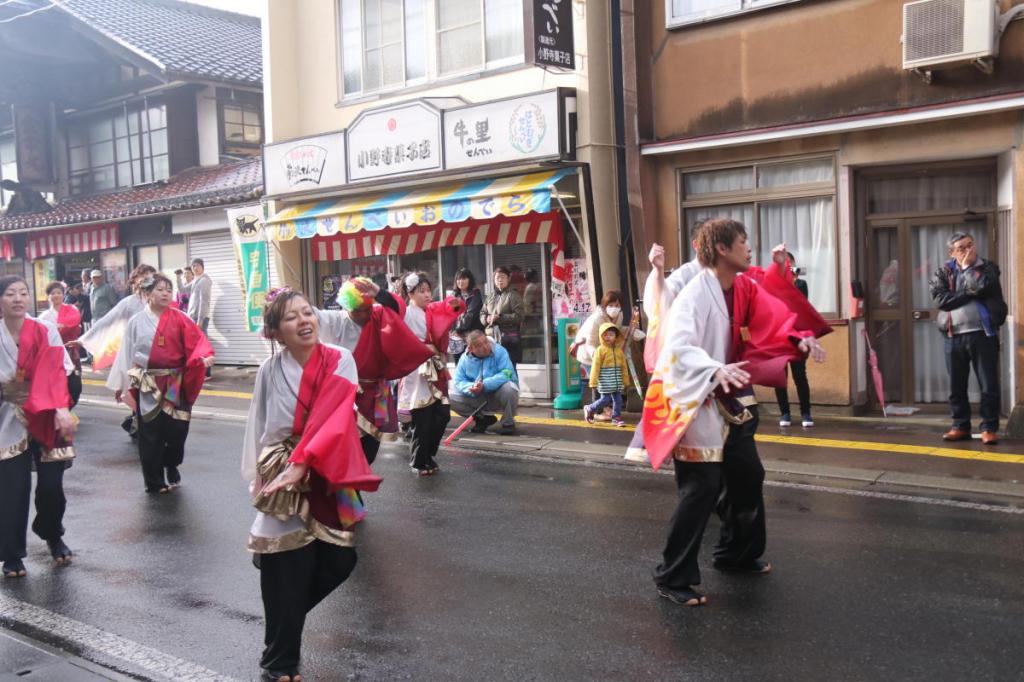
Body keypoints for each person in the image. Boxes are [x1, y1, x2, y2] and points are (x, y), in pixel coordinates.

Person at [644, 218, 828, 607]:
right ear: (723, 249)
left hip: (727, 392)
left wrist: (800, 338)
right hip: (690, 395)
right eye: (743, 242)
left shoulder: (742, 286)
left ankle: (735, 554)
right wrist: (712, 367)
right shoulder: (694, 291)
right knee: (702, 488)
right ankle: (671, 575)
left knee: (748, 474)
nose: (749, 249)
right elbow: (675, 346)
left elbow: (773, 317)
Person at [242, 287, 380, 682]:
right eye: (291, 317)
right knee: (287, 563)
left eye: (308, 313)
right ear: (276, 331)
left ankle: (283, 628)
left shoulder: (341, 360)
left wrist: (303, 462)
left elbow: (334, 415)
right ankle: (280, 660)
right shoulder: (271, 370)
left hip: (327, 464)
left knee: (340, 560)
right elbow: (262, 424)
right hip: (282, 467)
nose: (304, 321)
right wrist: (259, 475)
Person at [0, 276, 78, 579]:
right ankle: (12, 555)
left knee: (51, 488)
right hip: (8, 416)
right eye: (10, 294)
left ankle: (51, 533)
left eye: (23, 293)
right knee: (12, 489)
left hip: (48, 414)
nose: (18, 299)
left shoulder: (43, 329)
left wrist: (61, 409)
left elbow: (57, 370)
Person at [108, 274, 214, 493]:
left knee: (177, 430)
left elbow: (198, 343)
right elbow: (126, 354)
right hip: (148, 382)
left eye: (168, 289)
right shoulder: (136, 322)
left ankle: (171, 463)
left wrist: (204, 357)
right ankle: (154, 481)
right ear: (147, 294)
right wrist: (121, 384)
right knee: (150, 434)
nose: (165, 293)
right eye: (160, 289)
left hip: (175, 381)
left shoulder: (181, 318)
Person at [315, 277, 432, 465]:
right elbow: (309, 315)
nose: (366, 314)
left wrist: (378, 292)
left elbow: (396, 307)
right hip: (346, 396)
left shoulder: (376, 315)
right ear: (348, 308)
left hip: (377, 392)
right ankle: (348, 488)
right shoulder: (335, 321)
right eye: (360, 311)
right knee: (347, 452)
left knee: (370, 449)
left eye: (369, 307)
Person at [929, 232, 1006, 445]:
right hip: (953, 336)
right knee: (956, 385)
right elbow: (941, 300)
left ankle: (989, 427)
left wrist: (966, 269)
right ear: (952, 252)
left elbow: (981, 286)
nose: (968, 250)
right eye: (961, 248)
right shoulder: (943, 272)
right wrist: (969, 293)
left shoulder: (989, 267)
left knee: (988, 384)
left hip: (983, 334)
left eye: (970, 245)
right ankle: (960, 426)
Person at [398, 272, 463, 475]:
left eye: (428, 291)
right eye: (422, 291)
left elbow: (455, 308)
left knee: (442, 415)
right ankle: (419, 460)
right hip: (418, 370)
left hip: (436, 366)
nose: (427, 295)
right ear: (410, 293)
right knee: (423, 418)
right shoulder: (405, 313)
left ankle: (428, 454)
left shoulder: (433, 310)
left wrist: (454, 304)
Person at [451, 330, 519, 435]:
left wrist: (485, 384)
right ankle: (482, 419)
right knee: (448, 398)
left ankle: (508, 422)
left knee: (509, 388)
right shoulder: (464, 359)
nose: (485, 347)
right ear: (470, 348)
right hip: (477, 395)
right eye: (479, 346)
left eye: (485, 342)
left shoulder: (500, 351)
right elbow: (458, 381)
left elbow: (508, 373)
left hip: (497, 394)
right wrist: (471, 387)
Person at [775, 253, 814, 428]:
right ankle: (785, 412)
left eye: (790, 264)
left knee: (800, 375)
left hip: (797, 335)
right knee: (780, 377)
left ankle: (806, 412)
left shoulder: (800, 284)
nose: (788, 267)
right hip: (778, 336)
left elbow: (801, 307)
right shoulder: (772, 286)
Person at [39, 282, 83, 407]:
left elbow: (75, 321)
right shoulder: (44, 316)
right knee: (57, 383)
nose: (56, 296)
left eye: (59, 293)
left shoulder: (71, 309)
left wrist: (60, 327)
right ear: (48, 297)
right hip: (53, 355)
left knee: (75, 385)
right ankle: (61, 408)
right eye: (52, 293)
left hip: (71, 351)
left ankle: (69, 405)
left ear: (63, 295)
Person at [583, 323, 631, 427]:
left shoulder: (619, 351)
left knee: (618, 400)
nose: (608, 337)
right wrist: (593, 381)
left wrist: (626, 380)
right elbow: (595, 367)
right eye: (605, 335)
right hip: (605, 381)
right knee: (605, 399)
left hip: (616, 382)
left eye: (611, 334)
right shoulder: (600, 350)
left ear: (616, 336)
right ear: (601, 336)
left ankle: (616, 418)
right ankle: (590, 408)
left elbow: (623, 367)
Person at [481, 266, 524, 366]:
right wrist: (486, 319)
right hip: (491, 340)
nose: (500, 280)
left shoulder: (513, 295)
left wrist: (500, 317)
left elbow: (519, 316)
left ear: (508, 279)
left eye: (503, 277)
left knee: (508, 370)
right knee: (493, 369)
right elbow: (482, 313)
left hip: (507, 339)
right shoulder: (491, 296)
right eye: (497, 277)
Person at [449, 268, 484, 366]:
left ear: (470, 280)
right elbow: (449, 316)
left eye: (464, 278)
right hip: (456, 338)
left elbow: (470, 315)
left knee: (472, 365)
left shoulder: (475, 294)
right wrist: (453, 330)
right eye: (458, 279)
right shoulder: (453, 296)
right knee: (459, 366)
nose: (461, 281)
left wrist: (457, 329)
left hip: (471, 336)